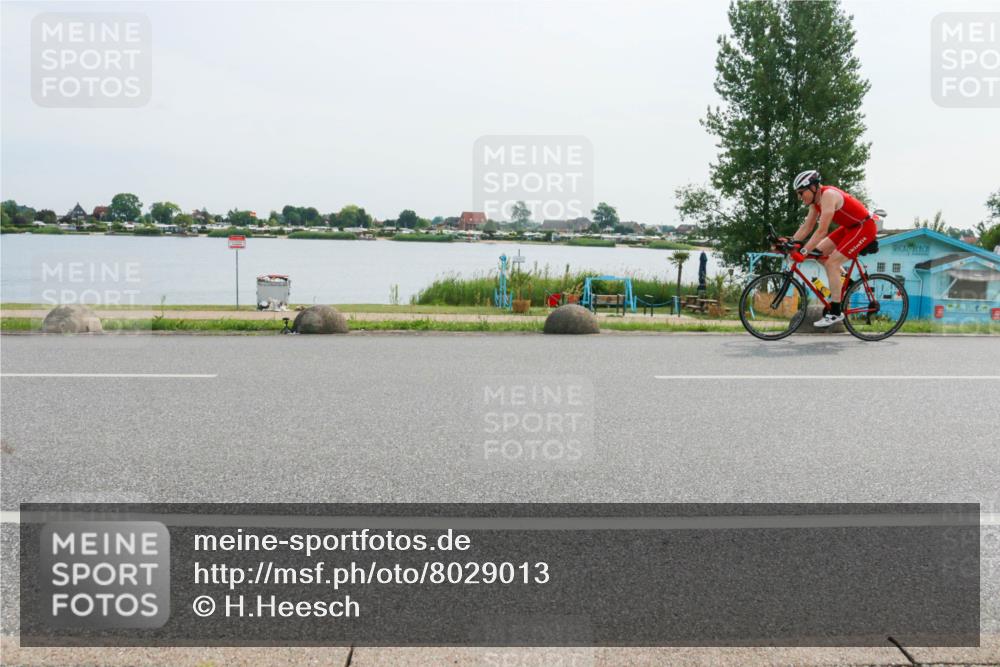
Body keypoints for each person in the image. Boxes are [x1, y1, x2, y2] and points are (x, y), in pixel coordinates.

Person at [783, 169, 878, 327]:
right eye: (798, 194)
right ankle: (847, 283)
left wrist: (803, 252)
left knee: (831, 263)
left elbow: (821, 231)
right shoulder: (815, 203)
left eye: (801, 192)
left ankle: (835, 312)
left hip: (864, 227)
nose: (800, 197)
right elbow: (807, 226)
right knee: (818, 254)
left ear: (813, 187)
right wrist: (791, 243)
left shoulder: (828, 196)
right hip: (849, 227)